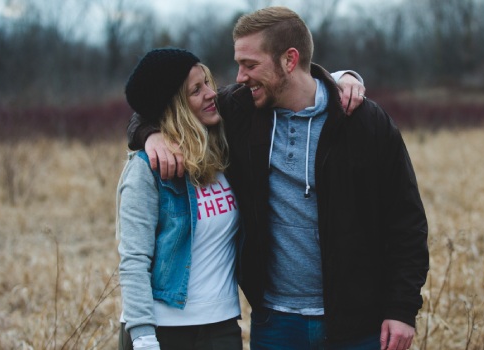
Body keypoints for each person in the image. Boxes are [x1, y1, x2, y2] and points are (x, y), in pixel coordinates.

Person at [129, 7, 429, 350]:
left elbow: (406, 222)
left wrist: (402, 309)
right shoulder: (238, 111)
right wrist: (149, 134)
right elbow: (163, 106)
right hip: (276, 325)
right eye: (239, 64)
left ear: (289, 60)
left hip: (359, 324)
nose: (240, 77)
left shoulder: (363, 122)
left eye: (251, 65)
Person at [117, 48, 242, 350]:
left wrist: (342, 79)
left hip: (222, 327)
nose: (212, 94)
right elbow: (134, 260)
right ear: (174, 107)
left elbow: (281, 83)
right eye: (196, 90)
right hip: (164, 331)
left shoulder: (225, 150)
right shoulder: (147, 170)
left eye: (208, 82)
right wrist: (144, 338)